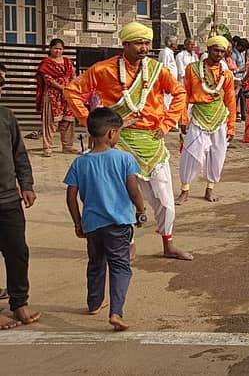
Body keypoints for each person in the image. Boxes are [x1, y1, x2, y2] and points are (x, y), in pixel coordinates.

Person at [64, 21, 192, 261]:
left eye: (147, 43)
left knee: (165, 200)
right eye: (138, 43)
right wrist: (91, 122)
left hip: (153, 141)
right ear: (125, 44)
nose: (144, 48)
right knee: (125, 198)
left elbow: (180, 93)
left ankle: (168, 243)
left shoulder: (156, 69)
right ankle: (128, 244)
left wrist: (166, 123)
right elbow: (71, 90)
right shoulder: (103, 70)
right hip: (118, 143)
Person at [64, 108, 146, 331]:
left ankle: (94, 303)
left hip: (92, 225)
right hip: (118, 224)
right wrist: (141, 210)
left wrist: (77, 221)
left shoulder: (80, 163)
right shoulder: (124, 158)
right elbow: (134, 189)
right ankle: (116, 312)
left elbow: (71, 196)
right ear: (111, 133)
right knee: (120, 266)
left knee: (96, 263)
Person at [0, 62, 41, 329]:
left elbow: (19, 154)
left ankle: (19, 303)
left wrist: (26, 184)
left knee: (17, 252)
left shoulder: (6, 116)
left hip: (7, 199)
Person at [175, 36, 237, 204]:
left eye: (222, 51)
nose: (218, 54)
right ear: (208, 50)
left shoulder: (227, 75)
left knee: (217, 154)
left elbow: (230, 100)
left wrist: (231, 127)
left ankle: (210, 189)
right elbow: (185, 93)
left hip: (219, 117)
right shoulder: (192, 69)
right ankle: (184, 190)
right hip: (198, 117)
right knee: (190, 153)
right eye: (216, 50)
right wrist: (182, 117)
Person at [35, 38, 77, 156]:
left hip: (67, 95)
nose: (58, 51)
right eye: (56, 48)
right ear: (50, 49)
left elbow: (73, 75)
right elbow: (47, 79)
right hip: (53, 95)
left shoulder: (68, 62)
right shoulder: (46, 63)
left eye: (60, 49)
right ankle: (47, 147)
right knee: (50, 122)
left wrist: (71, 87)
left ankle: (67, 146)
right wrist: (61, 87)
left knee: (68, 121)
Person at [158, 36, 179, 109]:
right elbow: (165, 68)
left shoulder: (169, 52)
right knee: (166, 100)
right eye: (176, 43)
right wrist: (166, 83)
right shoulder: (166, 52)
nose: (177, 45)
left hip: (171, 80)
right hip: (167, 81)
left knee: (170, 99)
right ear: (172, 44)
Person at [231, 37, 249, 121]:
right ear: (240, 46)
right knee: (235, 97)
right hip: (236, 78)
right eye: (244, 49)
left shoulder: (241, 53)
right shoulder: (233, 55)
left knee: (242, 96)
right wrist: (240, 70)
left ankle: (243, 114)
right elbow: (232, 69)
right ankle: (234, 114)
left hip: (241, 78)